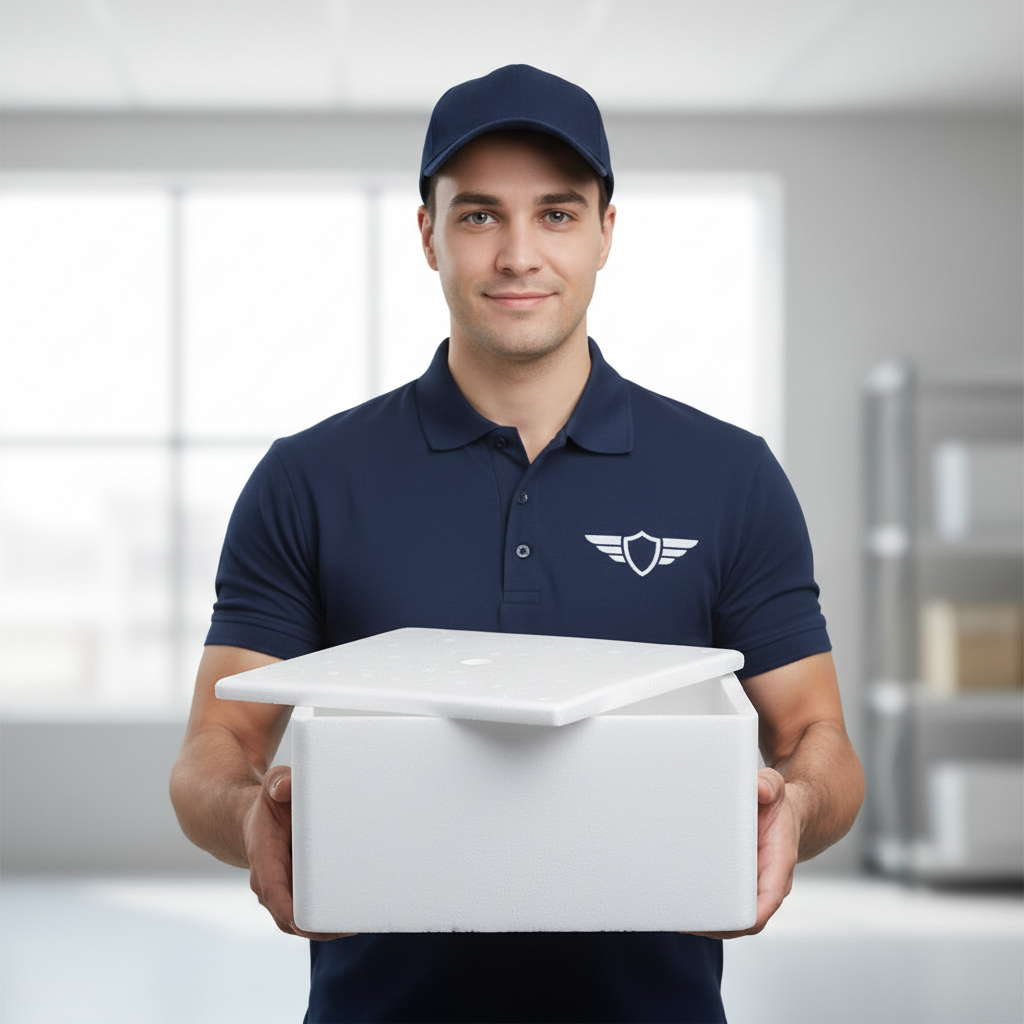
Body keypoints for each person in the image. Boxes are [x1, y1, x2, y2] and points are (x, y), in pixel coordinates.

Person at [170, 64, 864, 1022]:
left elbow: (818, 738)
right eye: (480, 215)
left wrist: (796, 807)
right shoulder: (310, 479)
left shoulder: (730, 476)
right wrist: (251, 815)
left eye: (558, 214)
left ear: (607, 234)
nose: (518, 255)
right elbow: (214, 747)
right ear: (429, 235)